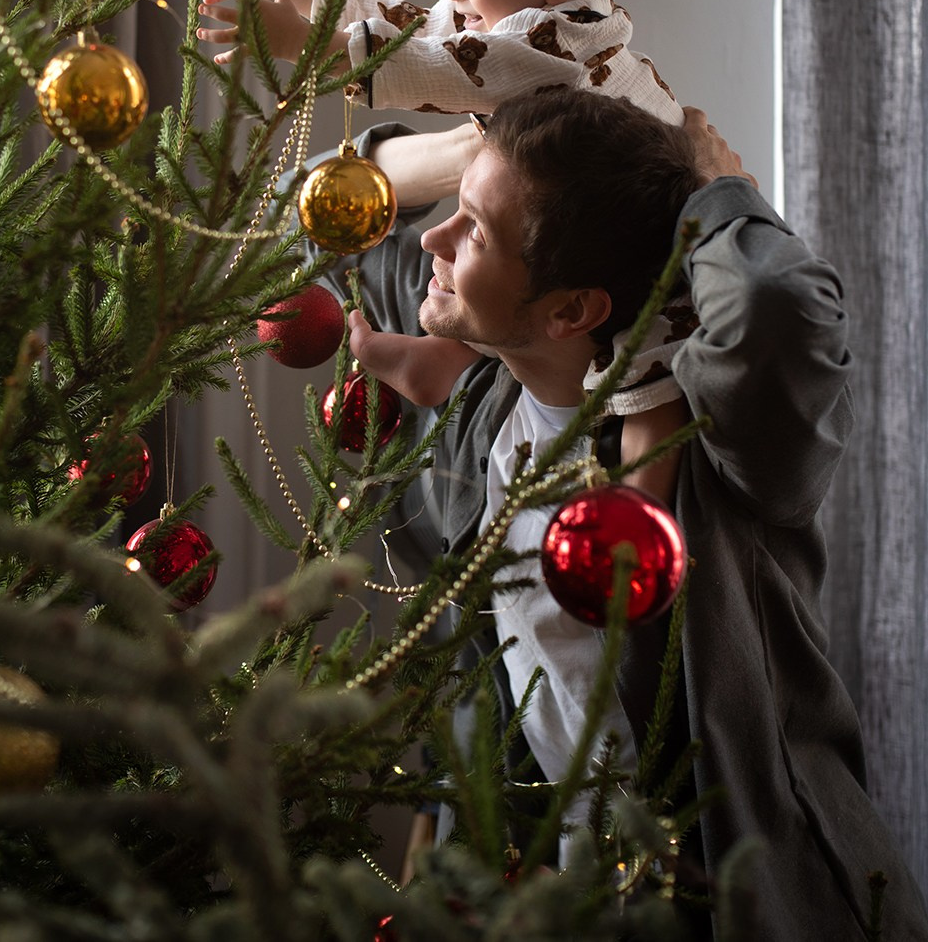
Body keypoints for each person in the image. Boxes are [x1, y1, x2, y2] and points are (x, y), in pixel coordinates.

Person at [315, 90, 928, 942]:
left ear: (570, 311)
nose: (432, 241)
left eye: (473, 232)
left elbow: (771, 303)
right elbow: (318, 212)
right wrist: (473, 154)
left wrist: (714, 190)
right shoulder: (489, 403)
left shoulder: (714, 447)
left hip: (750, 901)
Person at [198, 0, 688, 408]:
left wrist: (308, 45)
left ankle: (479, 372)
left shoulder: (553, 47)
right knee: (497, 264)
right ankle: (450, 358)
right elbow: (423, 28)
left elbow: (435, 67)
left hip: (643, 241)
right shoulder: (526, 18)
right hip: (572, 232)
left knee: (639, 369)